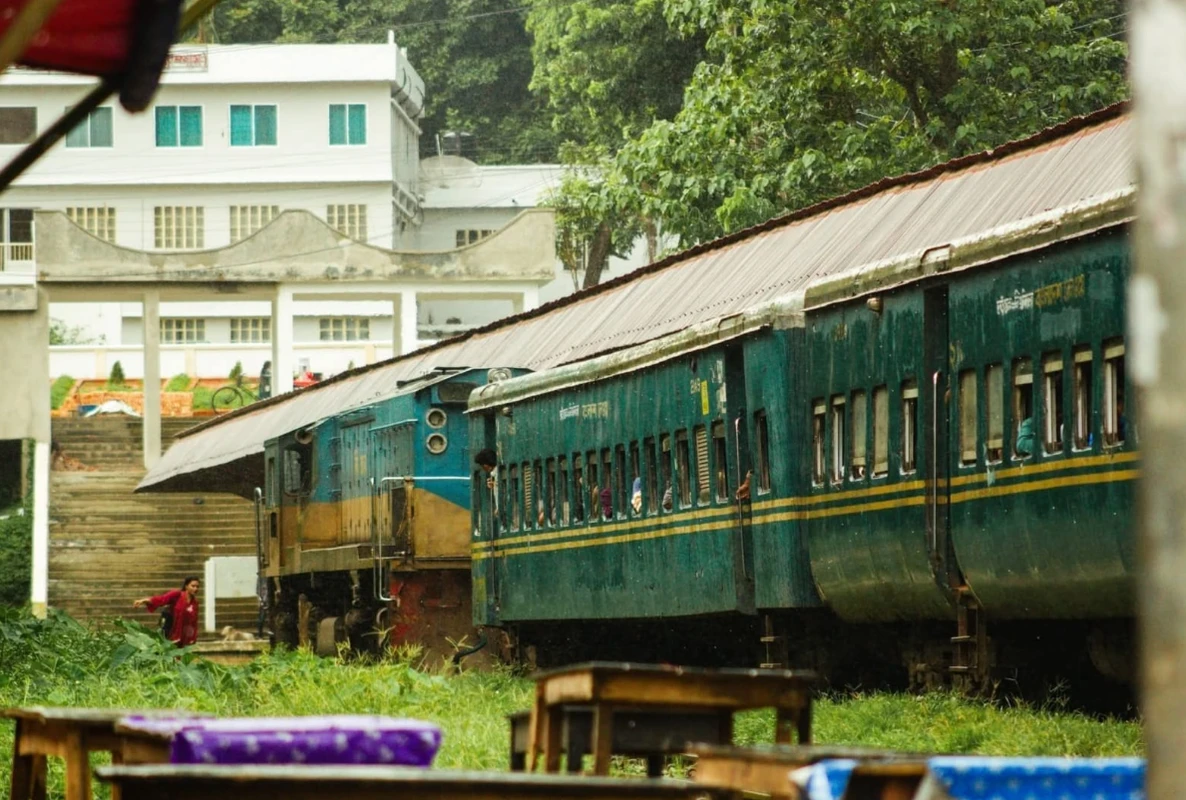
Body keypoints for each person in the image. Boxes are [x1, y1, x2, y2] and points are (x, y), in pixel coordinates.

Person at [133, 576, 200, 647]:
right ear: (186, 586)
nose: (195, 589)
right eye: (193, 586)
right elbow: (162, 599)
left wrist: (193, 636)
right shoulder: (177, 595)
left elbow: (194, 621)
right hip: (172, 630)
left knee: (182, 655)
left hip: (185, 635)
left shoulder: (195, 603)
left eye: (197, 587)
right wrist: (144, 600)